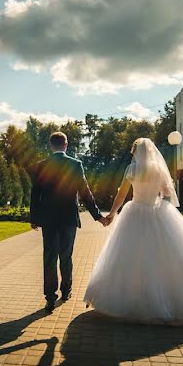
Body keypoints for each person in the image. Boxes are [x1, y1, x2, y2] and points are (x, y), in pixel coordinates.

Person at [84, 137, 183, 323]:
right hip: (155, 211)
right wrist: (158, 205)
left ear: (136, 152)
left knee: (129, 255)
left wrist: (112, 213)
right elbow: (167, 193)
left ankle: (129, 300)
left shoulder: (132, 169)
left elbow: (122, 193)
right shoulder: (158, 169)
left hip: (134, 212)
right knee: (164, 255)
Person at [30, 132, 109, 312]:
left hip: (49, 220)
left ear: (51, 146)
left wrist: (34, 218)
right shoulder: (75, 164)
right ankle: (66, 292)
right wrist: (98, 217)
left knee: (49, 257)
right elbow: (85, 193)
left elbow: (35, 194)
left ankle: (50, 297)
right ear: (66, 145)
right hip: (68, 219)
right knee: (66, 256)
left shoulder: (41, 166)